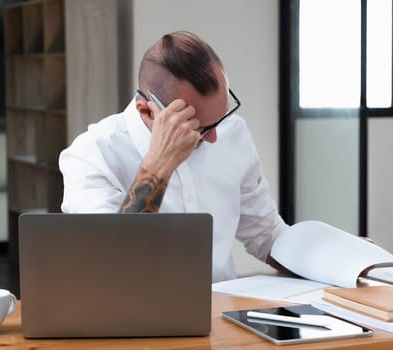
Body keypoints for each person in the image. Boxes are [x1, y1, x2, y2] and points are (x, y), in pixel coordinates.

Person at [59, 30, 289, 283]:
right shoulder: (91, 154)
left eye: (219, 120)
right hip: (135, 318)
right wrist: (159, 164)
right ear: (147, 110)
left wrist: (335, 272)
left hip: (223, 310)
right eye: (199, 128)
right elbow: (114, 263)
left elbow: (266, 234)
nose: (213, 138)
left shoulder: (232, 132)